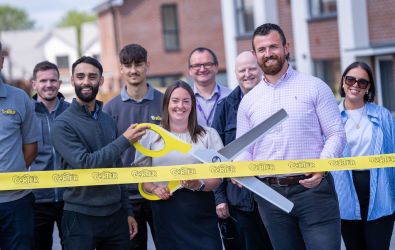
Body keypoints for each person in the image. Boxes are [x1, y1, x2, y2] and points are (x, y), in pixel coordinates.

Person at [236, 23, 346, 250]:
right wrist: (240, 168)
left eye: (273, 47)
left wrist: (322, 166)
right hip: (270, 196)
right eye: (262, 49)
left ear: (286, 47)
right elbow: (244, 149)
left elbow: (336, 133)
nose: (268, 54)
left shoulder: (315, 87)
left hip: (313, 190)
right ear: (255, 55)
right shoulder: (248, 101)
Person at [50, 56, 149, 249]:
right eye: (80, 76)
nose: (86, 81)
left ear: (101, 81)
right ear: (72, 80)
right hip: (80, 217)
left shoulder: (107, 120)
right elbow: (86, 164)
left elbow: (117, 168)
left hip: (115, 215)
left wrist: (128, 211)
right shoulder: (62, 124)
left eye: (92, 77)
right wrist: (124, 140)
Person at [135, 80, 223, 250]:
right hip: (166, 212)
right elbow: (141, 175)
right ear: (167, 104)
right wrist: (154, 189)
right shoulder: (151, 136)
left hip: (201, 210)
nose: (180, 106)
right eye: (175, 101)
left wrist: (199, 184)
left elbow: (218, 177)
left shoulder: (209, 135)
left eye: (185, 101)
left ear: (192, 104)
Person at [103, 43, 163, 250]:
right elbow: (107, 153)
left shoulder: (165, 103)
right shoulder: (110, 108)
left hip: (161, 191)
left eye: (138, 64)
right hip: (127, 197)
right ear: (121, 69)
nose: (133, 70)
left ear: (148, 65)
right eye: (127, 65)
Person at [331, 61, 395, 250]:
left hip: (380, 191)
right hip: (346, 193)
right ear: (343, 82)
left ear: (368, 88)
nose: (355, 85)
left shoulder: (382, 115)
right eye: (350, 79)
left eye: (362, 82)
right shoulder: (331, 115)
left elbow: (392, 156)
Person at [212, 51, 272, 250]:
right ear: (235, 74)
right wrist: (220, 198)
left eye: (252, 68)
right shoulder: (225, 107)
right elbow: (215, 157)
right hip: (241, 201)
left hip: (275, 195)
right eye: (242, 70)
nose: (247, 74)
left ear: (260, 69)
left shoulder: (275, 101)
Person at [0, 41, 39, 249]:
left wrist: (12, 173)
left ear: (1, 61)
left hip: (17, 201)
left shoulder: (19, 98)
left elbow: (31, 148)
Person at [30, 61, 70, 250]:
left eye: (53, 80)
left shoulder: (72, 111)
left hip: (70, 197)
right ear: (34, 84)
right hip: (36, 199)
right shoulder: (26, 112)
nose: (49, 85)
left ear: (60, 84)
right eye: (43, 80)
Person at [188, 47, 232, 126]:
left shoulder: (231, 96)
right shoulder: (184, 99)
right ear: (190, 70)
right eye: (197, 65)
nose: (202, 69)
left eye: (207, 64)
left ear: (216, 67)